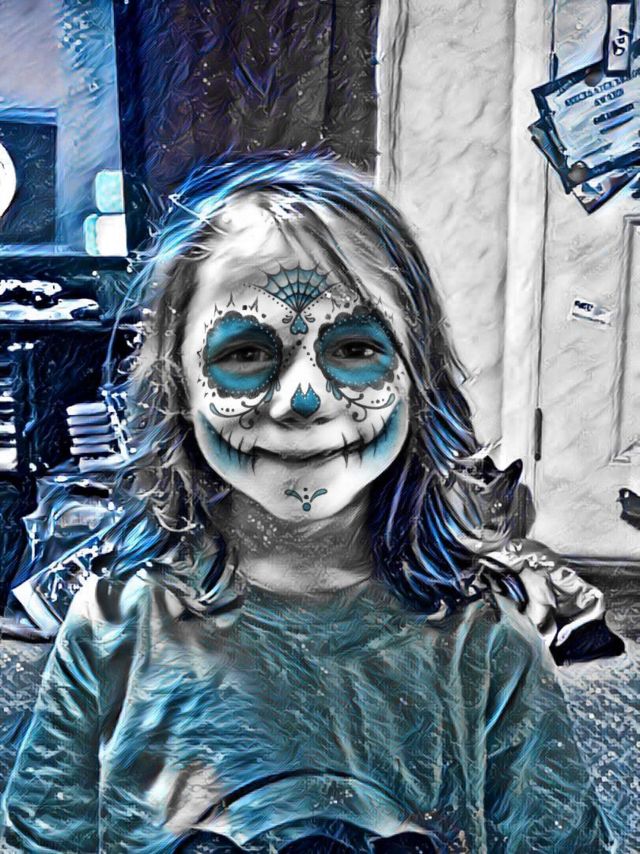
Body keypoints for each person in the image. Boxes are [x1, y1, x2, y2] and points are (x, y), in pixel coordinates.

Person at [1, 153, 615, 852]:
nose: (304, 398)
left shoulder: (485, 648)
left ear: (417, 374)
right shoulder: (115, 629)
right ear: (176, 386)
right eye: (245, 352)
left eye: (353, 346)